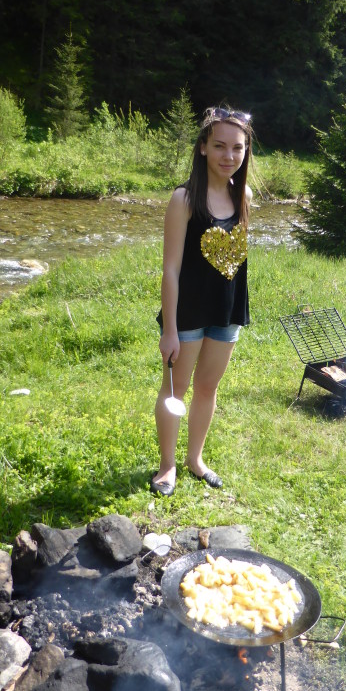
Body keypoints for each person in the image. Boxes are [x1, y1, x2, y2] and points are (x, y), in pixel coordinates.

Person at [151, 106, 253, 496]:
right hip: (188, 313)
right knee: (175, 390)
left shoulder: (243, 196)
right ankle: (167, 466)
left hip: (225, 312)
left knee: (207, 388)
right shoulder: (184, 199)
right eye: (220, 146)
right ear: (203, 148)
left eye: (238, 148)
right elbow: (171, 270)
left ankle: (195, 460)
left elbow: (236, 260)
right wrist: (170, 330)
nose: (229, 156)